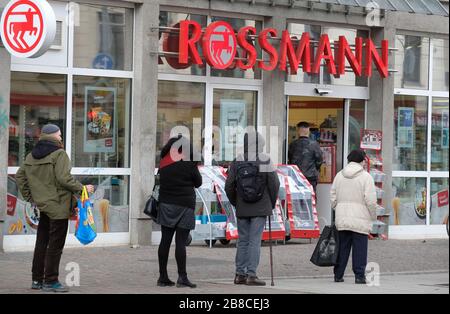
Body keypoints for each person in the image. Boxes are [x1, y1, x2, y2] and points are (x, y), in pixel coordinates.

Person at [15, 124, 94, 292]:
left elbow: (20, 176)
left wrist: (30, 197)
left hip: (43, 207)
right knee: (55, 246)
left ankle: (37, 280)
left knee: (42, 243)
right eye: (59, 135)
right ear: (52, 136)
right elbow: (64, 178)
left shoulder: (31, 156)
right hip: (58, 207)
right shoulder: (59, 154)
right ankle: (51, 281)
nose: (60, 138)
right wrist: (83, 189)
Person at [225, 130, 280, 286]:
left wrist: (236, 202)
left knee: (243, 240)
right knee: (255, 240)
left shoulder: (237, 161)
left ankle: (239, 274)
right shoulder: (264, 160)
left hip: (243, 207)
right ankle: (251, 275)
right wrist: (271, 202)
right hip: (261, 207)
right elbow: (274, 184)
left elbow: (229, 185)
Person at [157, 135, 202, 288]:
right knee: (180, 243)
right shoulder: (188, 163)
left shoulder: (163, 162)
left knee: (165, 241)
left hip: (166, 205)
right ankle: (182, 277)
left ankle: (162, 277)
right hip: (184, 205)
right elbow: (198, 182)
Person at [330, 149, 378, 284]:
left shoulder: (339, 175)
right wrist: (372, 216)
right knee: (360, 249)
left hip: (342, 217)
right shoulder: (366, 177)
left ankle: (338, 275)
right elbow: (371, 201)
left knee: (342, 247)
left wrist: (338, 208)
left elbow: (332, 196)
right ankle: (359, 276)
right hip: (360, 219)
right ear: (362, 161)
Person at [288, 121, 323, 193]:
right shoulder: (314, 144)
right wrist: (315, 169)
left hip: (296, 176)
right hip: (311, 176)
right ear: (308, 131)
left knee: (297, 198)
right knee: (311, 197)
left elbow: (290, 159)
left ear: (298, 131)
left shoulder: (293, 144)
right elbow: (319, 160)